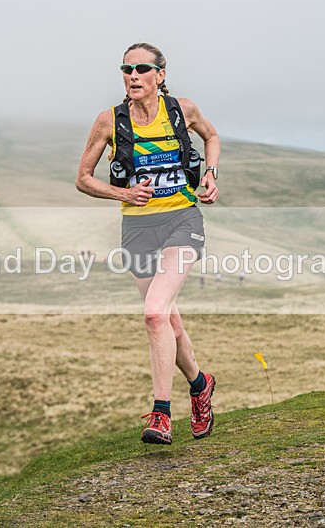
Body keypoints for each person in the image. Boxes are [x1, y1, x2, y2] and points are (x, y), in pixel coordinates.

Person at [76, 43, 220, 444]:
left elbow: (211, 136)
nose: (133, 75)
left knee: (155, 314)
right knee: (169, 321)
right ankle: (200, 385)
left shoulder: (182, 110)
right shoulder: (109, 121)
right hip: (138, 229)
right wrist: (124, 194)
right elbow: (83, 178)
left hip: (182, 220)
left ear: (160, 75)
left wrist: (211, 173)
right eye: (127, 69)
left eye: (142, 68)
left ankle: (161, 414)